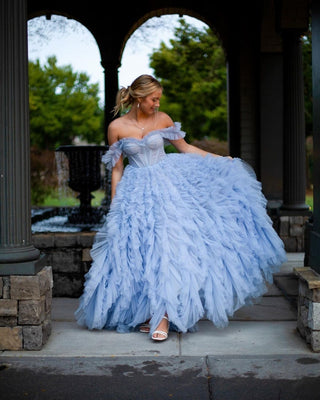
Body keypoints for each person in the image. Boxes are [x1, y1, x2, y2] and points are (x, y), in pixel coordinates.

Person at [75, 74, 287, 342]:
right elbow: (117, 170)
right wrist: (115, 207)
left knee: (168, 248)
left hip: (169, 186)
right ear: (139, 99)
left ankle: (164, 315)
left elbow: (184, 147)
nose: (157, 103)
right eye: (153, 99)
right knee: (141, 250)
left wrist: (221, 159)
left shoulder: (163, 119)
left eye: (158, 99)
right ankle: (150, 312)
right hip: (136, 192)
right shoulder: (116, 127)